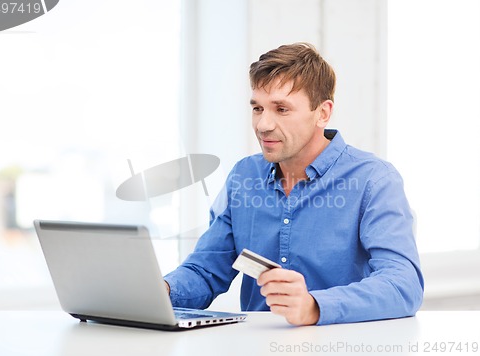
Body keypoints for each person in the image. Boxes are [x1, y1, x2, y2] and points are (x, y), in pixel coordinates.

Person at [164, 42, 424, 326]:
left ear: (322, 113)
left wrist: (314, 307)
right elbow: (206, 270)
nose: (263, 124)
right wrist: (161, 292)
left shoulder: (374, 180)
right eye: (257, 108)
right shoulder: (244, 176)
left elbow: (403, 285)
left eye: (281, 109)